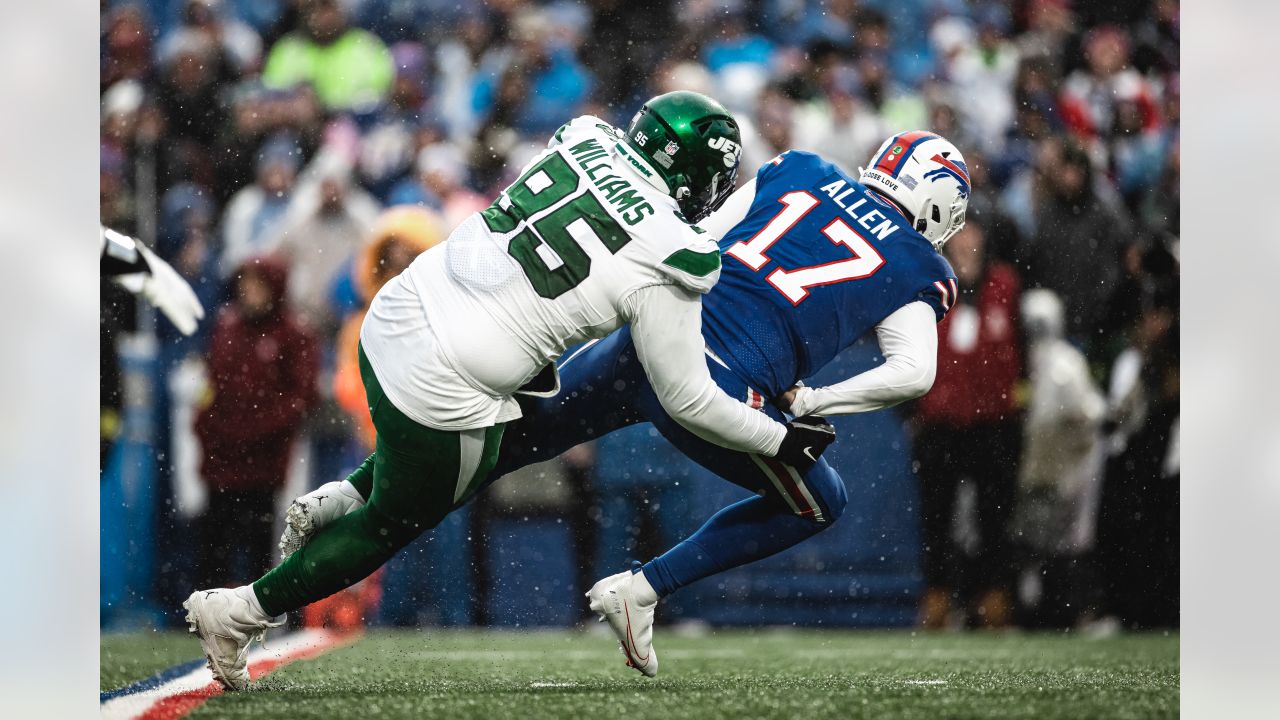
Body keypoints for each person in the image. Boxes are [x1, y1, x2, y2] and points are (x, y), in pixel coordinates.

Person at [184, 91, 835, 691]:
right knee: (401, 518)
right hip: (448, 379)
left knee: (501, 414)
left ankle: (340, 495)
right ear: (699, 175)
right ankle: (241, 611)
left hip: (396, 317)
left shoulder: (585, 134)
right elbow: (688, 396)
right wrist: (779, 438)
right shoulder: (677, 251)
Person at [284, 131, 969, 676]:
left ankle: (347, 497)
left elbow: (702, 240)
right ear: (938, 203)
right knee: (823, 500)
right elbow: (911, 374)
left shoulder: (805, 169)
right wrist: (818, 397)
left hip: (644, 343)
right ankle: (644, 589)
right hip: (721, 387)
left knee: (501, 445)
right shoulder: (920, 266)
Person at [194, 256, 318, 587]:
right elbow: (210, 387)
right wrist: (208, 429)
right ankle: (210, 610)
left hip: (265, 463)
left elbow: (300, 398)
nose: (249, 292)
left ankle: (264, 610)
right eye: (244, 285)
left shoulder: (293, 334)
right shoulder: (227, 328)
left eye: (256, 285)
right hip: (222, 460)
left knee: (262, 544)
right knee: (214, 544)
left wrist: (255, 431)